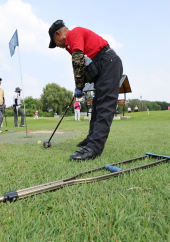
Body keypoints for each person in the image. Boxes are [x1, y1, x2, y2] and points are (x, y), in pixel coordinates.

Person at [48, 20, 123, 161]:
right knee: (96, 105)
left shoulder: (74, 33)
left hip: (108, 63)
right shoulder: (70, 45)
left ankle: (94, 147)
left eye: (55, 42)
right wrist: (80, 85)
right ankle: (91, 139)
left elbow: (78, 61)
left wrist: (79, 86)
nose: (57, 45)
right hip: (101, 67)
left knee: (104, 106)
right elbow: (85, 65)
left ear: (58, 33)